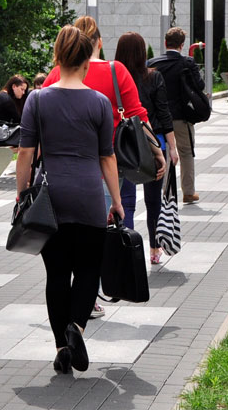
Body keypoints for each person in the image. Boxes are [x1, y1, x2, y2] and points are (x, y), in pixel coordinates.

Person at [15, 25, 124, 375]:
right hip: (90, 196)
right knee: (89, 268)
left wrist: (22, 194)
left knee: (57, 273)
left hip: (52, 200)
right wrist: (117, 201)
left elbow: (25, 153)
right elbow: (107, 157)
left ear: (58, 57)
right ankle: (76, 327)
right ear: (87, 61)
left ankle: (62, 348)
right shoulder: (99, 102)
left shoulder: (37, 99)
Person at [42, 16, 163, 318]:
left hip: (65, 170)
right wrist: (157, 150)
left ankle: (83, 295)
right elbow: (138, 114)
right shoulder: (115, 70)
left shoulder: (56, 74)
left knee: (70, 237)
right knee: (106, 224)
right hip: (112, 163)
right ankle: (93, 292)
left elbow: (41, 113)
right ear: (98, 42)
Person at [114, 31, 178, 264]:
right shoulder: (153, 77)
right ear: (143, 53)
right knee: (153, 200)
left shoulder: (115, 79)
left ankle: (125, 249)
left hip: (123, 147)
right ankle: (154, 249)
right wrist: (172, 148)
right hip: (153, 145)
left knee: (126, 200)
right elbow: (163, 113)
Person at [150, 27, 206, 204]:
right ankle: (188, 192)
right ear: (182, 45)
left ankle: (166, 192)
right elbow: (200, 85)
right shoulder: (187, 63)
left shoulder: (152, 63)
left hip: (158, 118)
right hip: (182, 116)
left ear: (166, 43)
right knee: (186, 152)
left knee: (163, 154)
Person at [0, 74, 29, 148]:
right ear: (14, 86)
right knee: (31, 138)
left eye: (25, 90)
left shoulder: (4, 96)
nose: (23, 93)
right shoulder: (5, 99)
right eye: (22, 89)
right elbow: (19, 120)